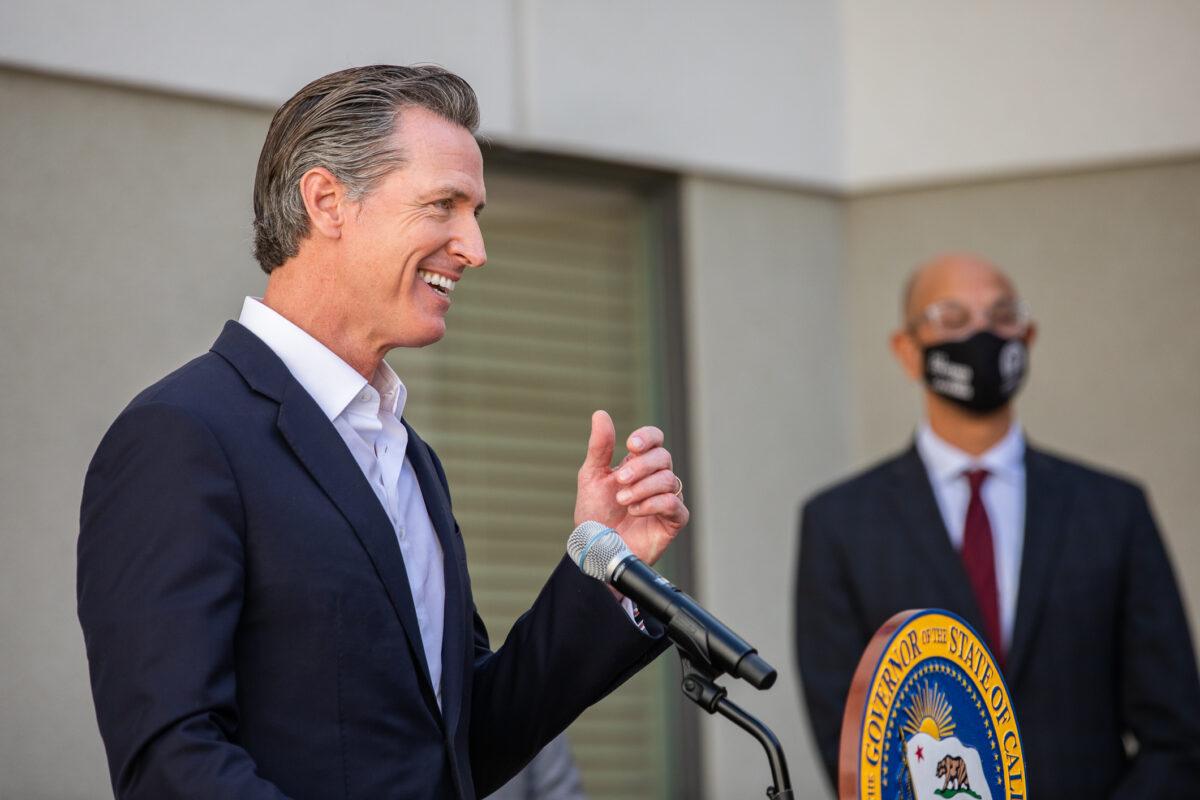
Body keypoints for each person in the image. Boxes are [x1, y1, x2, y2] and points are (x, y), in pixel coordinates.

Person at [77, 65, 689, 800]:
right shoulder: (181, 437)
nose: (475, 247)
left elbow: (459, 746)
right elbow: (173, 763)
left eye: (475, 212)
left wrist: (604, 568)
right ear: (328, 201)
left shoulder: (408, 456)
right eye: (443, 205)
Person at [794, 254, 1200, 798]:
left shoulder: (1113, 510)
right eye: (953, 318)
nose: (981, 334)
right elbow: (848, 741)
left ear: (1027, 336)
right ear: (907, 350)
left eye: (1001, 316)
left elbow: (1176, 734)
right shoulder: (840, 524)